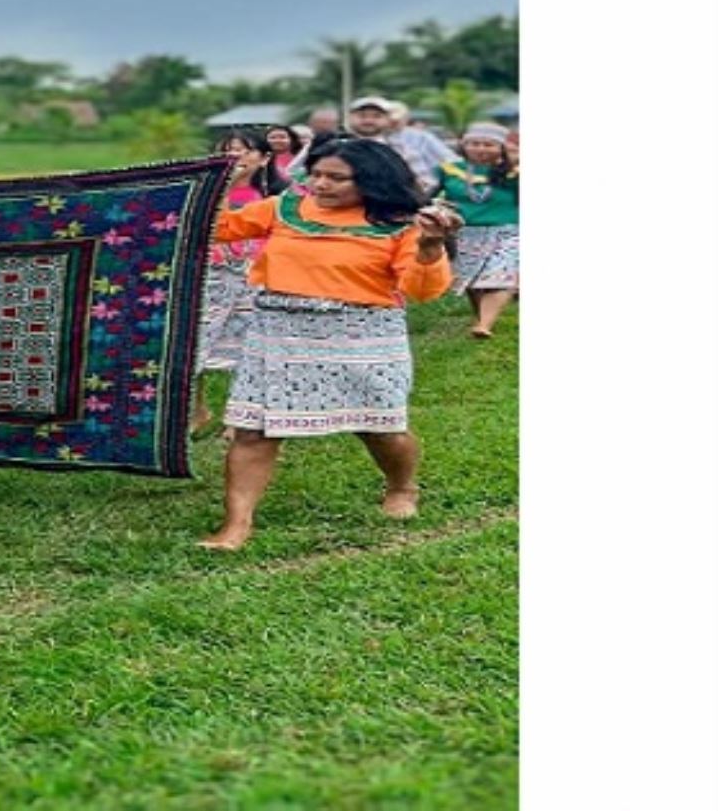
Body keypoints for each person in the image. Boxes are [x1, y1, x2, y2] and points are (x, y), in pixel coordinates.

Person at [198, 137, 461, 551]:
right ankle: (236, 526)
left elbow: (422, 290)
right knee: (253, 432)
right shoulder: (285, 207)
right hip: (278, 333)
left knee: (378, 428)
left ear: (372, 181)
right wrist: (222, 185)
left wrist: (430, 247)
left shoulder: (403, 225)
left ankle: (402, 488)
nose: (320, 184)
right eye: (317, 174)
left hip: (364, 336)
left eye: (337, 178)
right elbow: (217, 228)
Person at [192, 129, 287, 436]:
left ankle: (238, 419)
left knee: (248, 347)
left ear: (264, 158)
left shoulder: (276, 199)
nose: (236, 157)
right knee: (196, 341)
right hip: (210, 277)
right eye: (227, 150)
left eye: (244, 151)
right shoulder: (201, 195)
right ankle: (197, 409)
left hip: (254, 278)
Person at [436, 123, 520, 338]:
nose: (481, 149)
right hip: (464, 233)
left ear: (501, 147)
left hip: (507, 231)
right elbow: (428, 194)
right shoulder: (449, 169)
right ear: (464, 146)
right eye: (475, 143)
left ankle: (485, 325)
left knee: (502, 276)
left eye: (489, 144)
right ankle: (481, 317)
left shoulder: (514, 172)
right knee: (472, 279)